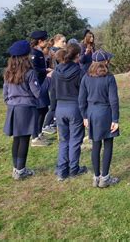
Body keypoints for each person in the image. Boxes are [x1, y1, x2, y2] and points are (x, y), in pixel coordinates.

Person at [79, 49, 120, 188]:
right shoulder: (109, 78)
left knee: (96, 146)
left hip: (92, 114)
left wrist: (84, 116)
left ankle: (96, 177)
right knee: (108, 145)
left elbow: (81, 100)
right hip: (106, 114)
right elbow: (114, 100)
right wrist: (115, 119)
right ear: (105, 62)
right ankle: (105, 178)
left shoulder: (86, 77)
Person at [3, 40, 41, 180]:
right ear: (26, 56)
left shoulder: (8, 72)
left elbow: (5, 95)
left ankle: (16, 168)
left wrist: (12, 102)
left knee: (17, 139)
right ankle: (21, 170)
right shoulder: (30, 73)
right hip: (26, 108)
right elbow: (37, 92)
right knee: (24, 139)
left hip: (13, 107)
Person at [50, 43, 87, 181]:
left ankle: (61, 169)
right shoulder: (80, 72)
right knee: (75, 140)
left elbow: (52, 92)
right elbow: (84, 94)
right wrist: (85, 113)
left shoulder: (56, 72)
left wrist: (53, 110)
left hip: (60, 108)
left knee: (63, 140)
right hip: (75, 107)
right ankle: (73, 168)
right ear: (77, 56)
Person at [29, 30, 52, 147]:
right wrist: (46, 71)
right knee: (39, 110)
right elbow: (35, 70)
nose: (47, 42)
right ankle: (34, 137)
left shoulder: (39, 52)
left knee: (44, 109)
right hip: (38, 85)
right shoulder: (33, 53)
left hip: (43, 83)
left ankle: (39, 132)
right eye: (45, 40)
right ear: (40, 41)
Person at [42, 34, 67, 135]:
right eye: (63, 41)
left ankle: (53, 122)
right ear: (57, 41)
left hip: (57, 79)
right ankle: (46, 125)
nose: (65, 44)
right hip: (53, 80)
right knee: (53, 104)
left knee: (56, 104)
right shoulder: (53, 52)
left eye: (66, 41)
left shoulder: (58, 51)